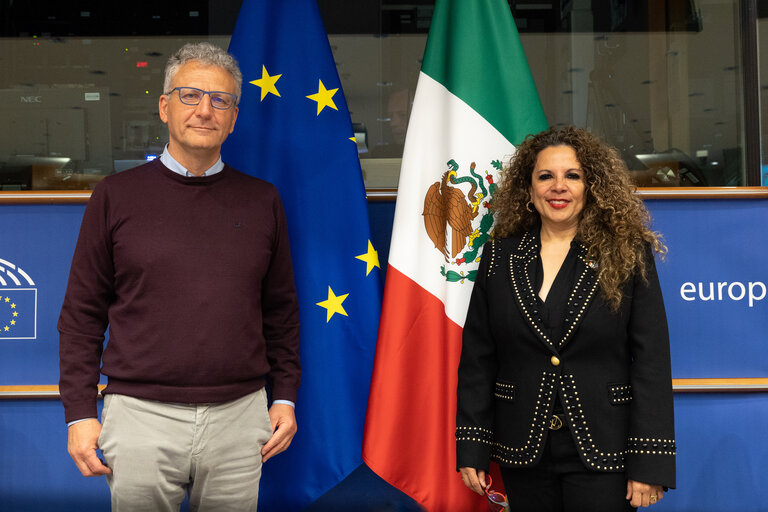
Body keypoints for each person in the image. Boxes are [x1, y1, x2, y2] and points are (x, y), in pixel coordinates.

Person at [58, 42, 300, 511]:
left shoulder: (262, 201)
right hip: (139, 417)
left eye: (220, 100)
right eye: (190, 96)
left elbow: (281, 312)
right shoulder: (114, 196)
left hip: (240, 416)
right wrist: (79, 414)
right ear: (165, 107)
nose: (204, 111)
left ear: (233, 118)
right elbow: (82, 315)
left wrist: (285, 397)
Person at [456, 126, 675, 511]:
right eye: (546, 176)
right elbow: (478, 359)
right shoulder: (499, 257)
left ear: (591, 187)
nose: (559, 186)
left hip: (605, 451)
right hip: (523, 450)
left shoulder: (627, 254)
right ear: (528, 189)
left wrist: (650, 460)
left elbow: (652, 362)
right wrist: (472, 445)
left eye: (572, 176)